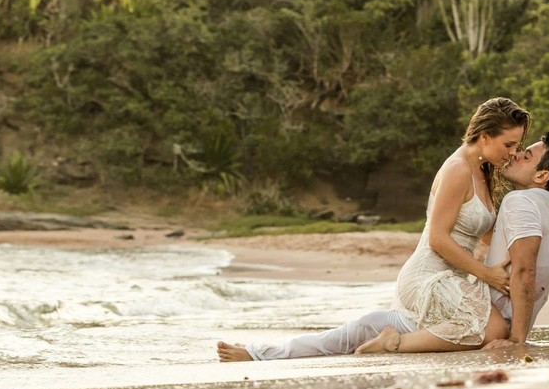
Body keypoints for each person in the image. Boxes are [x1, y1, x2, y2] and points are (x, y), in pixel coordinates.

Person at [216, 97, 528, 362]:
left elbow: (486, 232)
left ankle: (259, 352)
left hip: (453, 280)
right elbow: (437, 239)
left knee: (360, 329)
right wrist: (486, 275)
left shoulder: (483, 170)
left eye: (518, 145)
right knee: (493, 330)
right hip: (428, 276)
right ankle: (391, 344)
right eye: (509, 144)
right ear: (485, 136)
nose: (513, 152)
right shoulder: (458, 169)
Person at [358, 132, 549, 354]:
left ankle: (394, 342)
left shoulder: (519, 202)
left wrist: (516, 340)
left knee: (378, 328)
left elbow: (524, 270)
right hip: (487, 320)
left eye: (526, 156)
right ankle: (377, 335)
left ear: (541, 176)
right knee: (366, 329)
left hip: (478, 322)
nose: (516, 154)